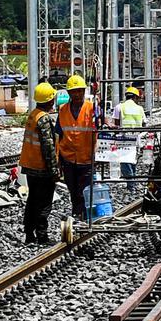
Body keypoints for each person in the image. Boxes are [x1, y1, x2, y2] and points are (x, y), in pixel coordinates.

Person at [19, 81, 61, 245]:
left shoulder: (33, 115)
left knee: (32, 200)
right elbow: (48, 148)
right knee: (44, 203)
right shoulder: (44, 119)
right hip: (41, 168)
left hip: (29, 166)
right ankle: (42, 236)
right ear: (50, 100)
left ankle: (29, 234)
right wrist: (54, 171)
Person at [55, 73, 97, 223]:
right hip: (69, 158)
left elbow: (101, 126)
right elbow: (59, 135)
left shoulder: (92, 109)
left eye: (80, 90)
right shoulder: (63, 110)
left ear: (84, 91)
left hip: (86, 158)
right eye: (74, 91)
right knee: (73, 189)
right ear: (69, 93)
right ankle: (77, 213)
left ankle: (85, 216)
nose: (78, 94)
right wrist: (58, 158)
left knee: (85, 190)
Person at [117, 83, 147, 201]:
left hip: (124, 139)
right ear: (135, 97)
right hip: (136, 139)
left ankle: (131, 186)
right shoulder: (139, 109)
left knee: (125, 163)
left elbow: (116, 123)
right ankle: (132, 185)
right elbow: (144, 124)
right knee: (133, 162)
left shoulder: (120, 107)